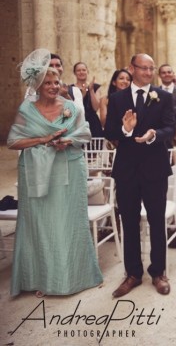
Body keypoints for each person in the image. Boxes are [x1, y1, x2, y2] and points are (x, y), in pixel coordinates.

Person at [8, 49, 102, 297]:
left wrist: (67, 140)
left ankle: (74, 277)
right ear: (37, 86)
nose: (53, 86)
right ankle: (43, 278)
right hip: (38, 175)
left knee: (69, 225)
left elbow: (85, 134)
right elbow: (13, 141)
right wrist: (43, 138)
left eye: (56, 82)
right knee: (42, 226)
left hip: (69, 169)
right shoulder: (27, 110)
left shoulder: (71, 106)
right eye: (47, 82)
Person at [104, 53, 175, 298]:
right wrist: (126, 129)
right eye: (143, 68)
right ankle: (132, 273)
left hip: (155, 168)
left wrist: (153, 134)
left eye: (151, 69)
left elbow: (170, 128)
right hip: (127, 170)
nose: (147, 73)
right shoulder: (116, 98)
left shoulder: (163, 96)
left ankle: (158, 272)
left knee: (156, 221)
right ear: (131, 68)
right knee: (129, 222)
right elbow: (109, 130)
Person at [70, 62, 103, 137]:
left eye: (83, 70)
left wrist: (91, 90)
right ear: (74, 73)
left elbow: (96, 108)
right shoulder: (71, 88)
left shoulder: (95, 87)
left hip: (93, 122)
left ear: (87, 71)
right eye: (78, 70)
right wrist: (83, 95)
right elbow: (72, 107)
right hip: (77, 122)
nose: (81, 72)